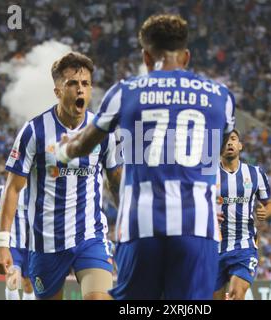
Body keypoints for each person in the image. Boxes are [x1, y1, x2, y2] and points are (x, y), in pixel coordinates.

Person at [55, 14, 236, 299]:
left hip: (140, 226)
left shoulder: (125, 92)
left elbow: (81, 146)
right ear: (186, 56)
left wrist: (64, 149)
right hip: (197, 226)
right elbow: (219, 147)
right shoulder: (221, 97)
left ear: (146, 57)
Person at [0, 52, 122, 300]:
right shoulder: (34, 131)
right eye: (72, 83)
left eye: (85, 84)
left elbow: (116, 180)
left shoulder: (103, 131)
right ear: (58, 91)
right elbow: (13, 188)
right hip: (45, 244)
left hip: (90, 237)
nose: (80, 90)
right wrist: (1, 243)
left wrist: (130, 225)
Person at [213, 129, 271, 300]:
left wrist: (265, 212)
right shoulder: (208, 175)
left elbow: (269, 204)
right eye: (225, 140)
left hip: (243, 246)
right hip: (213, 248)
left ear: (240, 145)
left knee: (236, 294)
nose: (229, 143)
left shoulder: (255, 173)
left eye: (233, 139)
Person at [0, 184, 35, 300]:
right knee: (12, 280)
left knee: (28, 285)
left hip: (32, 246)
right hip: (12, 245)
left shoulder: (37, 189)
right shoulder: (3, 189)